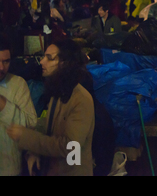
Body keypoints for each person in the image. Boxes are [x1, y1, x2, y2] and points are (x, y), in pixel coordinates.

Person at [7, 39, 95, 176]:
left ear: (64, 64)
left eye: (49, 58)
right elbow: (49, 125)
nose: (42, 62)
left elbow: (70, 147)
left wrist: (26, 137)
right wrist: (34, 151)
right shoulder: (59, 92)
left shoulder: (80, 99)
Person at [0, 34, 37, 176]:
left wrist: (4, 106)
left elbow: (30, 125)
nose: (1, 67)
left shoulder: (17, 84)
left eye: (6, 61)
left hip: (9, 170)